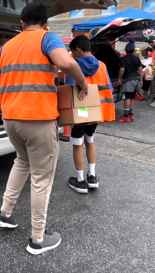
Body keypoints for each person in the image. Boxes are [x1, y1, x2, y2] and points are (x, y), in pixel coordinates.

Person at [0, 3, 89, 255]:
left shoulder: (6, 47)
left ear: (21, 24)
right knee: (42, 178)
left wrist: (16, 86)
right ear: (45, 24)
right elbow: (66, 63)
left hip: (11, 118)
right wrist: (83, 82)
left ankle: (5, 213)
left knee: (22, 162)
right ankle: (37, 238)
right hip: (38, 119)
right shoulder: (47, 38)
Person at [63, 35, 114, 194]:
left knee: (77, 143)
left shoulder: (72, 66)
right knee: (90, 140)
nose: (72, 55)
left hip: (81, 111)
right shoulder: (102, 66)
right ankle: (92, 177)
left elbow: (68, 92)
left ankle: (80, 181)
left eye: (72, 52)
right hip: (96, 111)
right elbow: (109, 89)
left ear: (77, 50)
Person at [117, 40, 144, 122]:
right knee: (132, 97)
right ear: (133, 50)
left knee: (127, 98)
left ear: (126, 50)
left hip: (128, 81)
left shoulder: (123, 59)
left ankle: (125, 116)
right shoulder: (136, 58)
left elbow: (122, 70)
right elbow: (140, 70)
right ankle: (131, 115)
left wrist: (119, 78)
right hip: (136, 80)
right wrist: (141, 80)